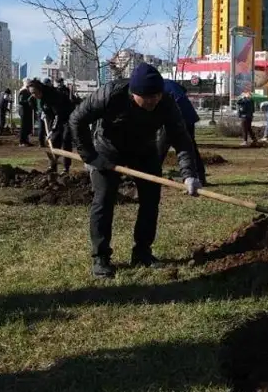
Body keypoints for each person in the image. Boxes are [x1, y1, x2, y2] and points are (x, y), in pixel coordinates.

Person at [69, 63, 201, 279]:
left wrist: (189, 175)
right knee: (104, 199)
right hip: (108, 149)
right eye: (147, 97)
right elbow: (77, 119)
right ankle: (100, 257)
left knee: (151, 198)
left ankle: (142, 252)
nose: (153, 101)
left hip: (144, 149)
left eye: (156, 95)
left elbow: (181, 138)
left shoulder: (166, 103)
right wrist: (92, 157)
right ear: (133, 93)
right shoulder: (111, 94)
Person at [157, 78, 207, 186]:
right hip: (189, 115)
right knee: (190, 146)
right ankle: (200, 176)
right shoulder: (170, 83)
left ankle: (151, 173)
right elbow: (183, 90)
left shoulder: (156, 86)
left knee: (160, 146)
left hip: (176, 115)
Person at [27, 79, 74, 173]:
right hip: (54, 117)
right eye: (31, 93)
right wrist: (42, 113)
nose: (33, 95)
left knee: (65, 140)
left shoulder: (53, 95)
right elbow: (39, 107)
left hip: (68, 117)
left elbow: (58, 115)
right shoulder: (36, 98)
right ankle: (53, 166)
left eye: (34, 92)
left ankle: (66, 168)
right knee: (54, 140)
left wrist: (52, 130)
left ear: (40, 89)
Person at [17, 79, 35, 147]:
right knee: (23, 126)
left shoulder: (29, 92)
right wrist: (28, 101)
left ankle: (26, 140)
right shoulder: (23, 91)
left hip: (28, 111)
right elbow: (20, 101)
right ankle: (21, 141)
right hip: (23, 111)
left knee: (27, 126)